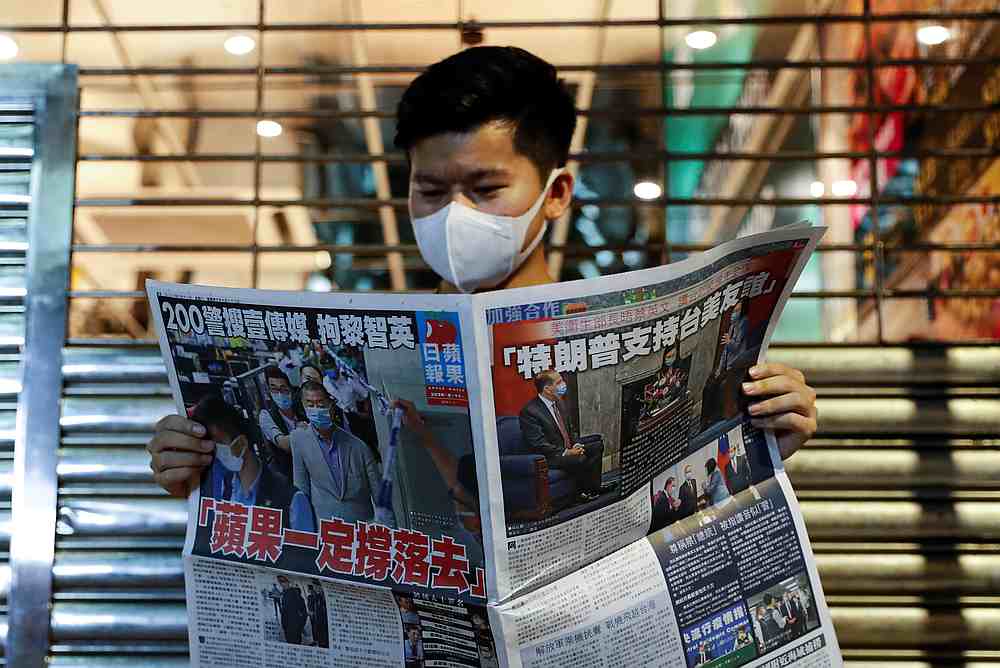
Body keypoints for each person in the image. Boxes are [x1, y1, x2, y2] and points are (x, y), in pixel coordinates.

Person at [147, 45, 818, 516]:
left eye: (485, 188)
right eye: (431, 189)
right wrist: (204, 469)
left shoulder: (646, 331)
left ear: (556, 193)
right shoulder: (379, 350)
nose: (452, 216)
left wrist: (764, 440)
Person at [191, 395, 315, 533]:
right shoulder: (221, 492)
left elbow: (302, 552)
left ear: (241, 443)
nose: (213, 451)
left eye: (217, 443)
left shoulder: (291, 500)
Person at [291, 381, 381, 525]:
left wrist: (389, 533)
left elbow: (381, 499)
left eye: (321, 404)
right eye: (310, 404)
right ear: (303, 406)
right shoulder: (298, 439)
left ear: (331, 405)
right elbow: (301, 488)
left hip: (362, 527)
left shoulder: (358, 447)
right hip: (327, 528)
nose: (316, 409)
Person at [519, 370, 604, 502]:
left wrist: (576, 444)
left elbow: (571, 429)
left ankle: (594, 489)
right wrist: (566, 452)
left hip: (568, 448)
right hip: (550, 456)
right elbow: (538, 444)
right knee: (579, 458)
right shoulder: (530, 412)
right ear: (547, 389)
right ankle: (580, 495)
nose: (563, 384)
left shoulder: (559, 402)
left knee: (597, 446)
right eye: (559, 382)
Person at [258, 366, 306, 480]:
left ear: (291, 391)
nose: (279, 394)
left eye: (283, 389)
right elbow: (284, 444)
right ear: (269, 392)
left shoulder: (300, 408)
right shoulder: (266, 416)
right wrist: (301, 431)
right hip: (289, 472)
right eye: (274, 389)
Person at [277, 576, 308, 645]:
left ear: (288, 582)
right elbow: (284, 612)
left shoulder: (295, 593)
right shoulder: (284, 595)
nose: (282, 584)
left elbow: (304, 611)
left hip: (295, 628)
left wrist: (300, 626)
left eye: (284, 582)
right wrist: (284, 625)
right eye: (281, 582)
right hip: (287, 628)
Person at [307, 583, 329, 648]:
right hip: (316, 618)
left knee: (321, 632)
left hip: (322, 620)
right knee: (317, 630)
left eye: (316, 586)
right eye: (314, 587)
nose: (315, 588)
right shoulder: (316, 596)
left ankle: (321, 643)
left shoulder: (320, 596)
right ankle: (318, 642)